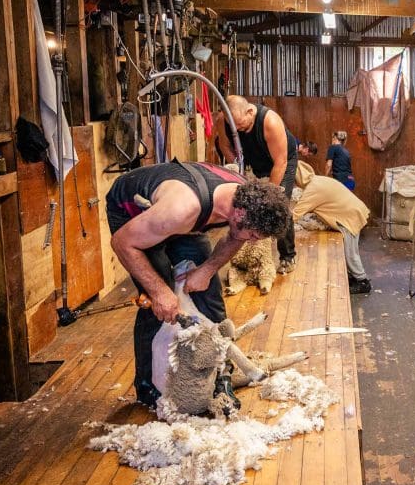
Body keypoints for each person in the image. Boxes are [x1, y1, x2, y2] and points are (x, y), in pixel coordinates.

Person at [106, 161, 290, 407]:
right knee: (160, 303)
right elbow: (122, 243)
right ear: (239, 215)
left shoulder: (247, 198)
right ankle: (148, 387)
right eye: (254, 236)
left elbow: (236, 236)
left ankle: (221, 374)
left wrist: (207, 269)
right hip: (134, 213)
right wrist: (159, 292)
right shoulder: (182, 210)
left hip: (184, 217)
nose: (254, 242)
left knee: (209, 294)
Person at [219, 95, 299, 274]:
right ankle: (247, 256)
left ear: (249, 111)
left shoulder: (270, 122)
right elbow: (224, 145)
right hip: (254, 160)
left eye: (241, 125)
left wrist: (267, 197)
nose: (237, 129)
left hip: (281, 161)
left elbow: (281, 162)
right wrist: (239, 170)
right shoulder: (223, 119)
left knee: (278, 206)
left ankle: (287, 256)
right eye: (234, 127)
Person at [293, 173, 372, 294]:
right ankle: (353, 276)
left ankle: (362, 281)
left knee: (350, 251)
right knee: (350, 250)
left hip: (348, 215)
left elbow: (295, 214)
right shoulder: (317, 180)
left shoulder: (312, 189)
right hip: (351, 210)